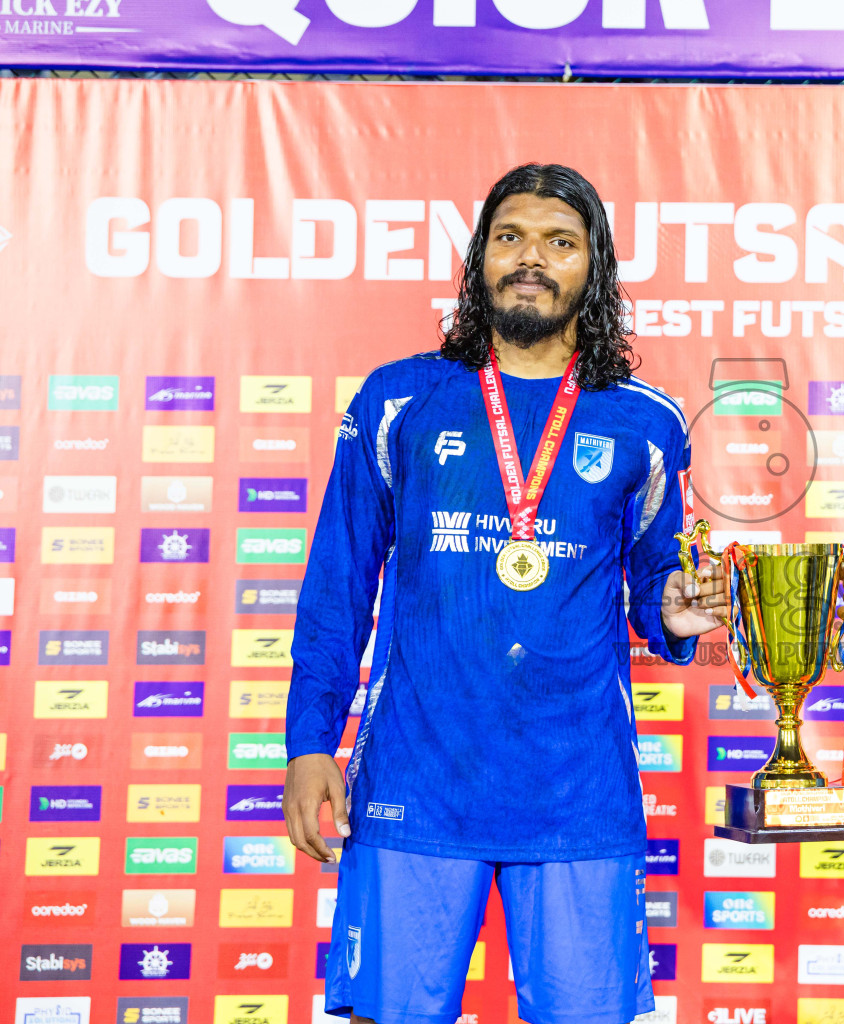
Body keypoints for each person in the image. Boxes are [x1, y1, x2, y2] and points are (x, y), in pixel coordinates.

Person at [282, 163, 722, 1024]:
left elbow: (653, 582)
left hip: (578, 788)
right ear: (478, 256)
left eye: (561, 242)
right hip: (416, 774)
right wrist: (308, 744)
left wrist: (671, 609)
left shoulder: (647, 421)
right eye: (510, 237)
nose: (532, 258)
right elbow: (338, 588)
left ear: (593, 268)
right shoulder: (397, 399)